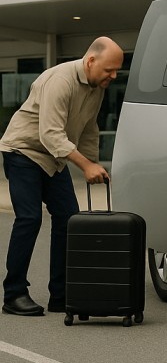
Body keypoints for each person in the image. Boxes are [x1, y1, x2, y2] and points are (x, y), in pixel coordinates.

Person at [0, 37, 123, 316]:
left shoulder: (95, 87)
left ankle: (61, 294)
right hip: (23, 151)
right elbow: (50, 133)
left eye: (117, 70)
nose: (113, 76)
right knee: (30, 218)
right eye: (109, 70)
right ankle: (14, 294)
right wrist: (84, 166)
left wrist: (94, 165)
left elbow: (89, 127)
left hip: (53, 158)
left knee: (69, 219)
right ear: (91, 61)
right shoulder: (60, 80)